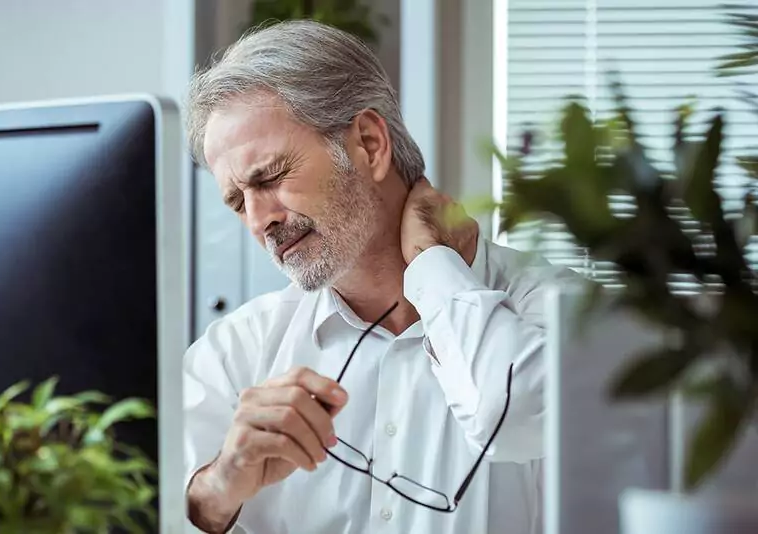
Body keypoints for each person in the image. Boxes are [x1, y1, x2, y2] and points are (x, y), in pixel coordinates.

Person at [182, 19, 573, 534]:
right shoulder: (234, 353)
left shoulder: (560, 308)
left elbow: (521, 416)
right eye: (237, 201)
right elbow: (149, 511)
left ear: (368, 143)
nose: (259, 221)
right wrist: (221, 485)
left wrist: (434, 265)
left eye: (271, 177)